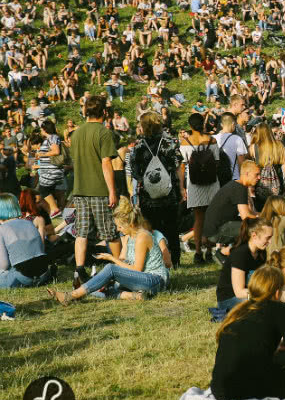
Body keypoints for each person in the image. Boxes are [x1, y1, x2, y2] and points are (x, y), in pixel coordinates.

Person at [210, 266, 285, 400]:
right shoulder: (278, 309)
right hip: (254, 390)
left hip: (220, 389)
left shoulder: (238, 312)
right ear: (277, 292)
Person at [47, 198, 169, 303]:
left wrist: (111, 259)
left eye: (120, 226)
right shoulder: (129, 236)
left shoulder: (142, 236)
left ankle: (71, 296)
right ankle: (135, 296)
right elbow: (124, 260)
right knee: (100, 285)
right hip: (141, 279)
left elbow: (137, 269)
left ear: (130, 224)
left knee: (110, 269)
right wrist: (107, 278)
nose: (118, 229)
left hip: (155, 280)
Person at [69, 95, 120, 288]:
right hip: (98, 189)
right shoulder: (103, 132)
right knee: (110, 232)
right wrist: (112, 191)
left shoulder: (76, 133)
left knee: (81, 232)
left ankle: (79, 270)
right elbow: (106, 163)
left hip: (80, 189)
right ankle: (119, 268)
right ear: (104, 112)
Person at [128, 111, 185, 266]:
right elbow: (178, 165)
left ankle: (156, 260)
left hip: (148, 195)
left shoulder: (138, 145)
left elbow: (134, 170)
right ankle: (175, 260)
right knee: (172, 226)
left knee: (151, 227)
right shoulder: (170, 142)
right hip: (169, 192)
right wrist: (181, 188)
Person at [181, 113, 221, 260]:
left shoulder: (185, 142)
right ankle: (210, 249)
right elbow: (217, 161)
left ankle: (198, 252)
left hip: (194, 183)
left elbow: (183, 165)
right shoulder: (212, 140)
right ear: (203, 124)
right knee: (211, 217)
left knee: (198, 218)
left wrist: (181, 187)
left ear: (190, 125)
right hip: (211, 182)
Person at [214, 217, 273, 312]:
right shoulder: (240, 254)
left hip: (249, 294)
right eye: (268, 238)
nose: (270, 242)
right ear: (254, 236)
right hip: (229, 299)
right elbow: (239, 292)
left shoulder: (261, 253)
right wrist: (264, 294)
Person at [203, 160, 261, 248]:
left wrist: (261, 215)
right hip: (216, 232)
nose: (259, 177)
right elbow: (245, 216)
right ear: (247, 173)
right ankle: (229, 254)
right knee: (256, 229)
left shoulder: (237, 185)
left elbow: (249, 212)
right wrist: (263, 219)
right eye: (256, 174)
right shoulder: (240, 188)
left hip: (214, 229)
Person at [0, 193, 52, 288]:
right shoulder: (29, 223)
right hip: (44, 273)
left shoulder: (2, 229)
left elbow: (4, 265)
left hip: (23, 277)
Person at [247, 123, 285, 211]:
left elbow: (250, 166)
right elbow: (284, 167)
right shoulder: (279, 145)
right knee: (277, 211)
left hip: (259, 185)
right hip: (277, 184)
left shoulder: (253, 147)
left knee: (262, 211)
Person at [34, 120, 65, 218]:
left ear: (44, 129)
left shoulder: (52, 137)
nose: (40, 131)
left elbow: (56, 151)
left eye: (41, 129)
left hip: (51, 171)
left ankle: (54, 209)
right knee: (47, 192)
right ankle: (53, 210)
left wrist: (42, 154)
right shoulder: (49, 139)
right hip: (48, 170)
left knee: (43, 190)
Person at [215, 113, 248, 182]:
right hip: (233, 178)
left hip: (217, 179)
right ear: (233, 124)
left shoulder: (213, 139)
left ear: (221, 124)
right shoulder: (237, 139)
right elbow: (241, 162)